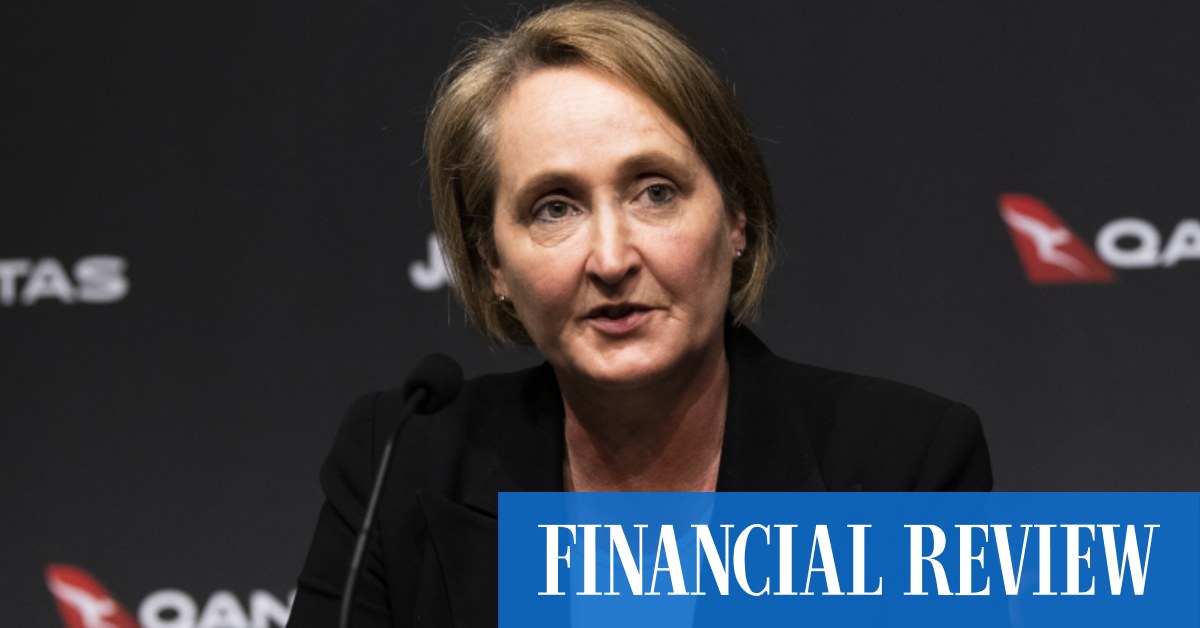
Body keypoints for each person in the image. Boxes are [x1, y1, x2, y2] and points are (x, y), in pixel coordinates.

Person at [287, 1, 991, 625]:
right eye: (554, 208)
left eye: (655, 193)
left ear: (737, 216)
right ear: (491, 262)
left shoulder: (903, 469)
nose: (611, 257)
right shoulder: (399, 463)